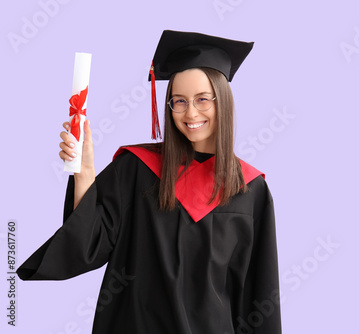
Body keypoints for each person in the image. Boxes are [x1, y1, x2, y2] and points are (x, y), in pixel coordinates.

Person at [17, 30, 282, 334]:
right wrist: (85, 172)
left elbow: (258, 294)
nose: (190, 112)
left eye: (202, 99)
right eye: (179, 101)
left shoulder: (250, 190)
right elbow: (87, 246)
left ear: (222, 101)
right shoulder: (136, 169)